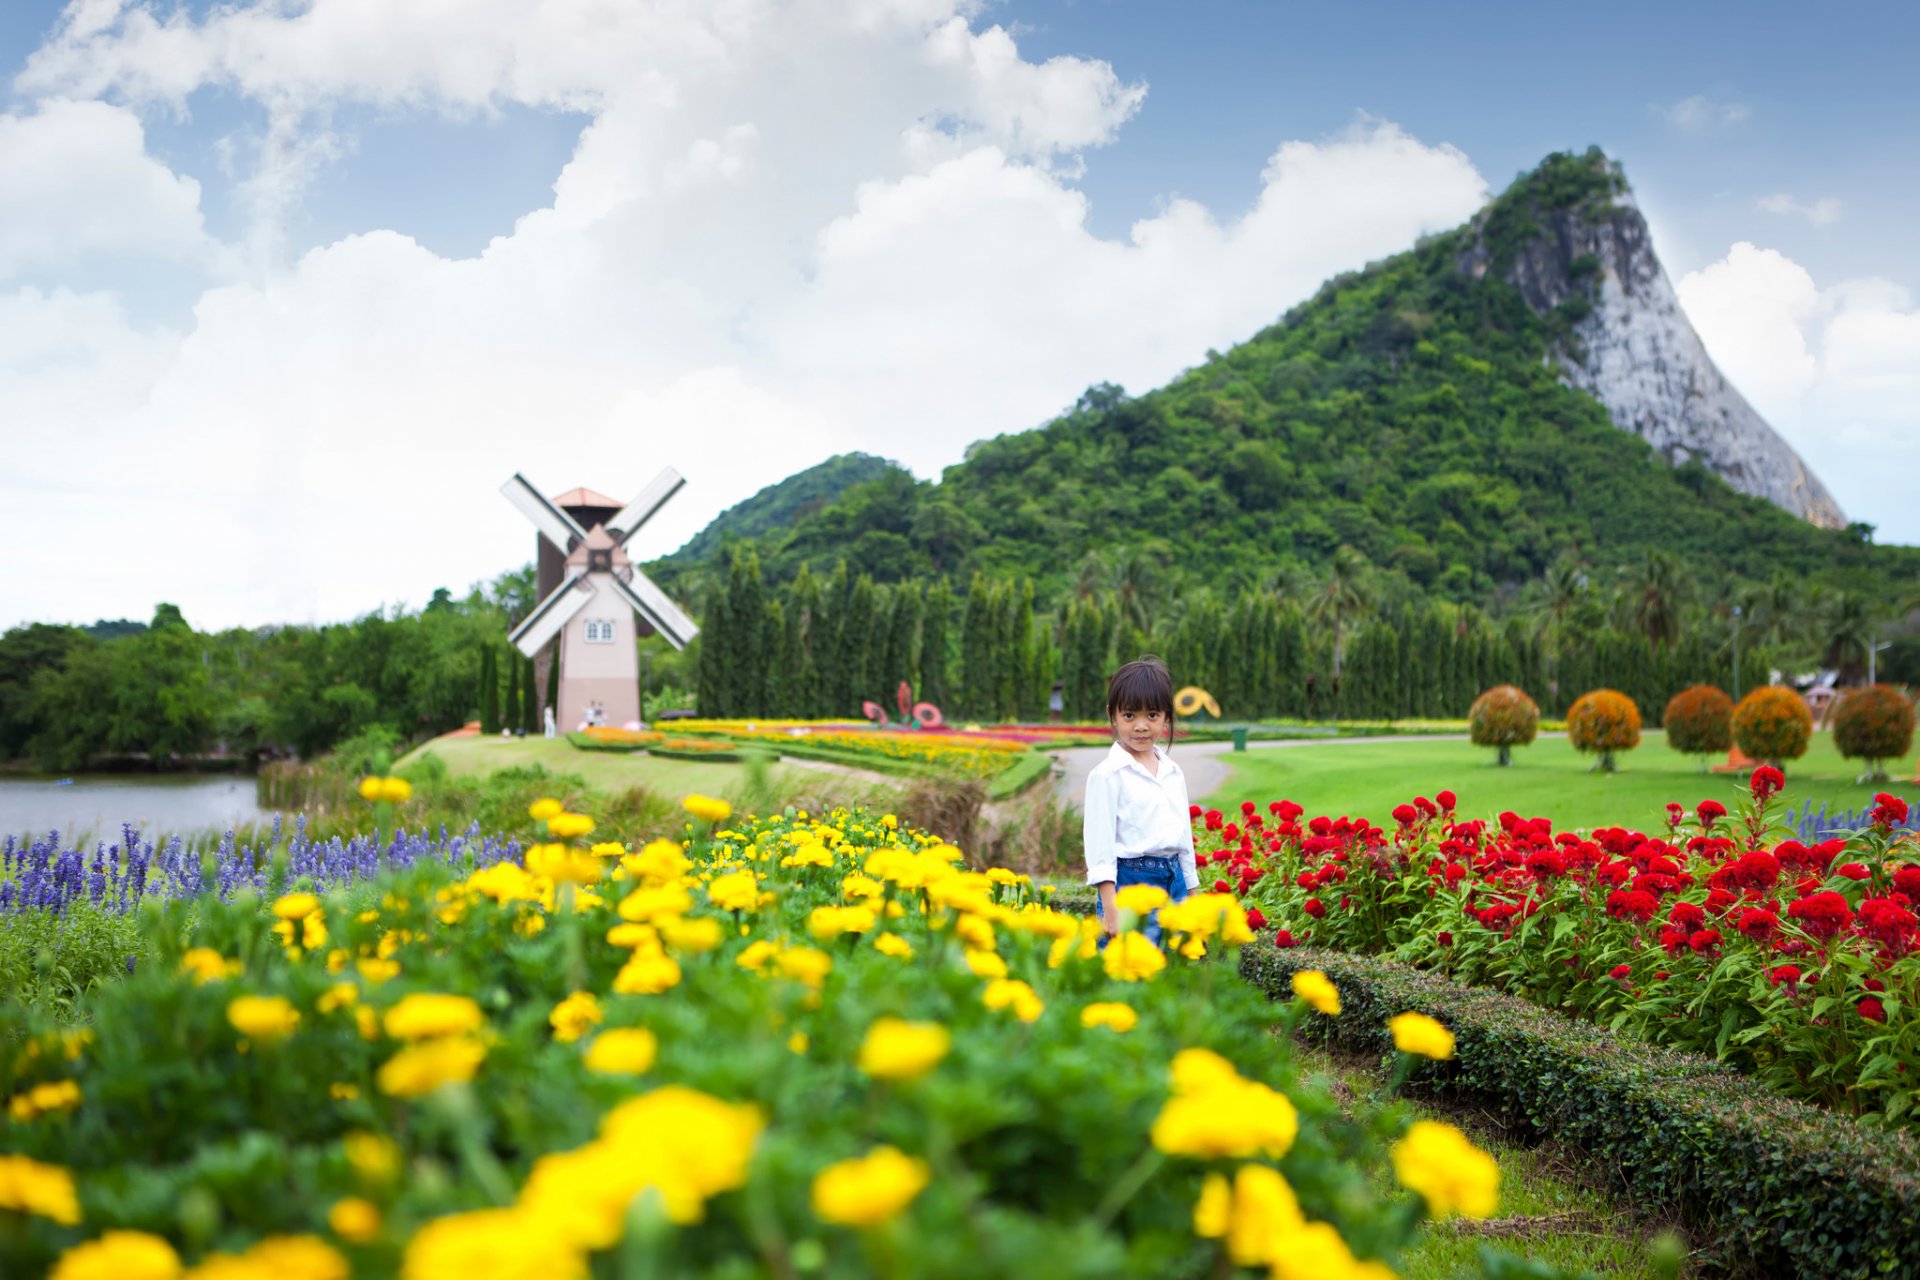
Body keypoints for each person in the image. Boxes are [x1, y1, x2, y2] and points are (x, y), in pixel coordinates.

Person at [1082, 655, 1197, 946]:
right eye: (1130, 715)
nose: (1141, 726)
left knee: (1174, 974)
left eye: (1153, 715)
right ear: (1113, 715)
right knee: (1129, 975)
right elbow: (1100, 849)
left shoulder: (1172, 771)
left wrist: (1193, 896)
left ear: (1167, 716)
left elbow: (1184, 839)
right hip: (1130, 884)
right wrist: (1110, 908)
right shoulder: (1108, 775)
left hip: (1176, 883)